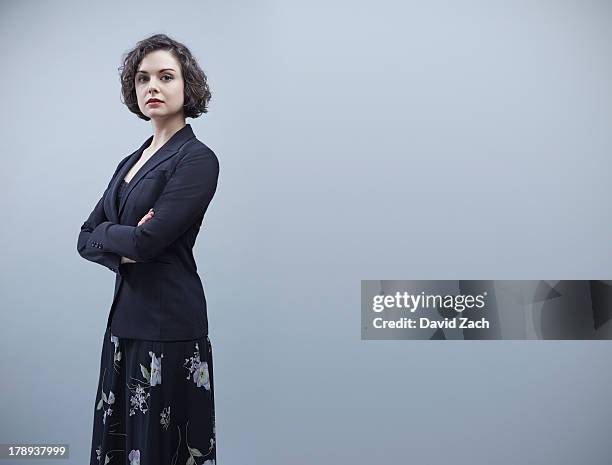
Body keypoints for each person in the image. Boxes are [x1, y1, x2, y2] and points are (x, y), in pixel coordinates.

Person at [76, 33, 219, 465]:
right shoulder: (130, 161)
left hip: (169, 327)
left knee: (161, 451)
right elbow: (85, 236)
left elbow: (149, 242)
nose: (151, 87)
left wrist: (116, 235)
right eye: (142, 79)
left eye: (165, 76)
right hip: (124, 324)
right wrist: (126, 239)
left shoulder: (197, 159)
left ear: (186, 86)